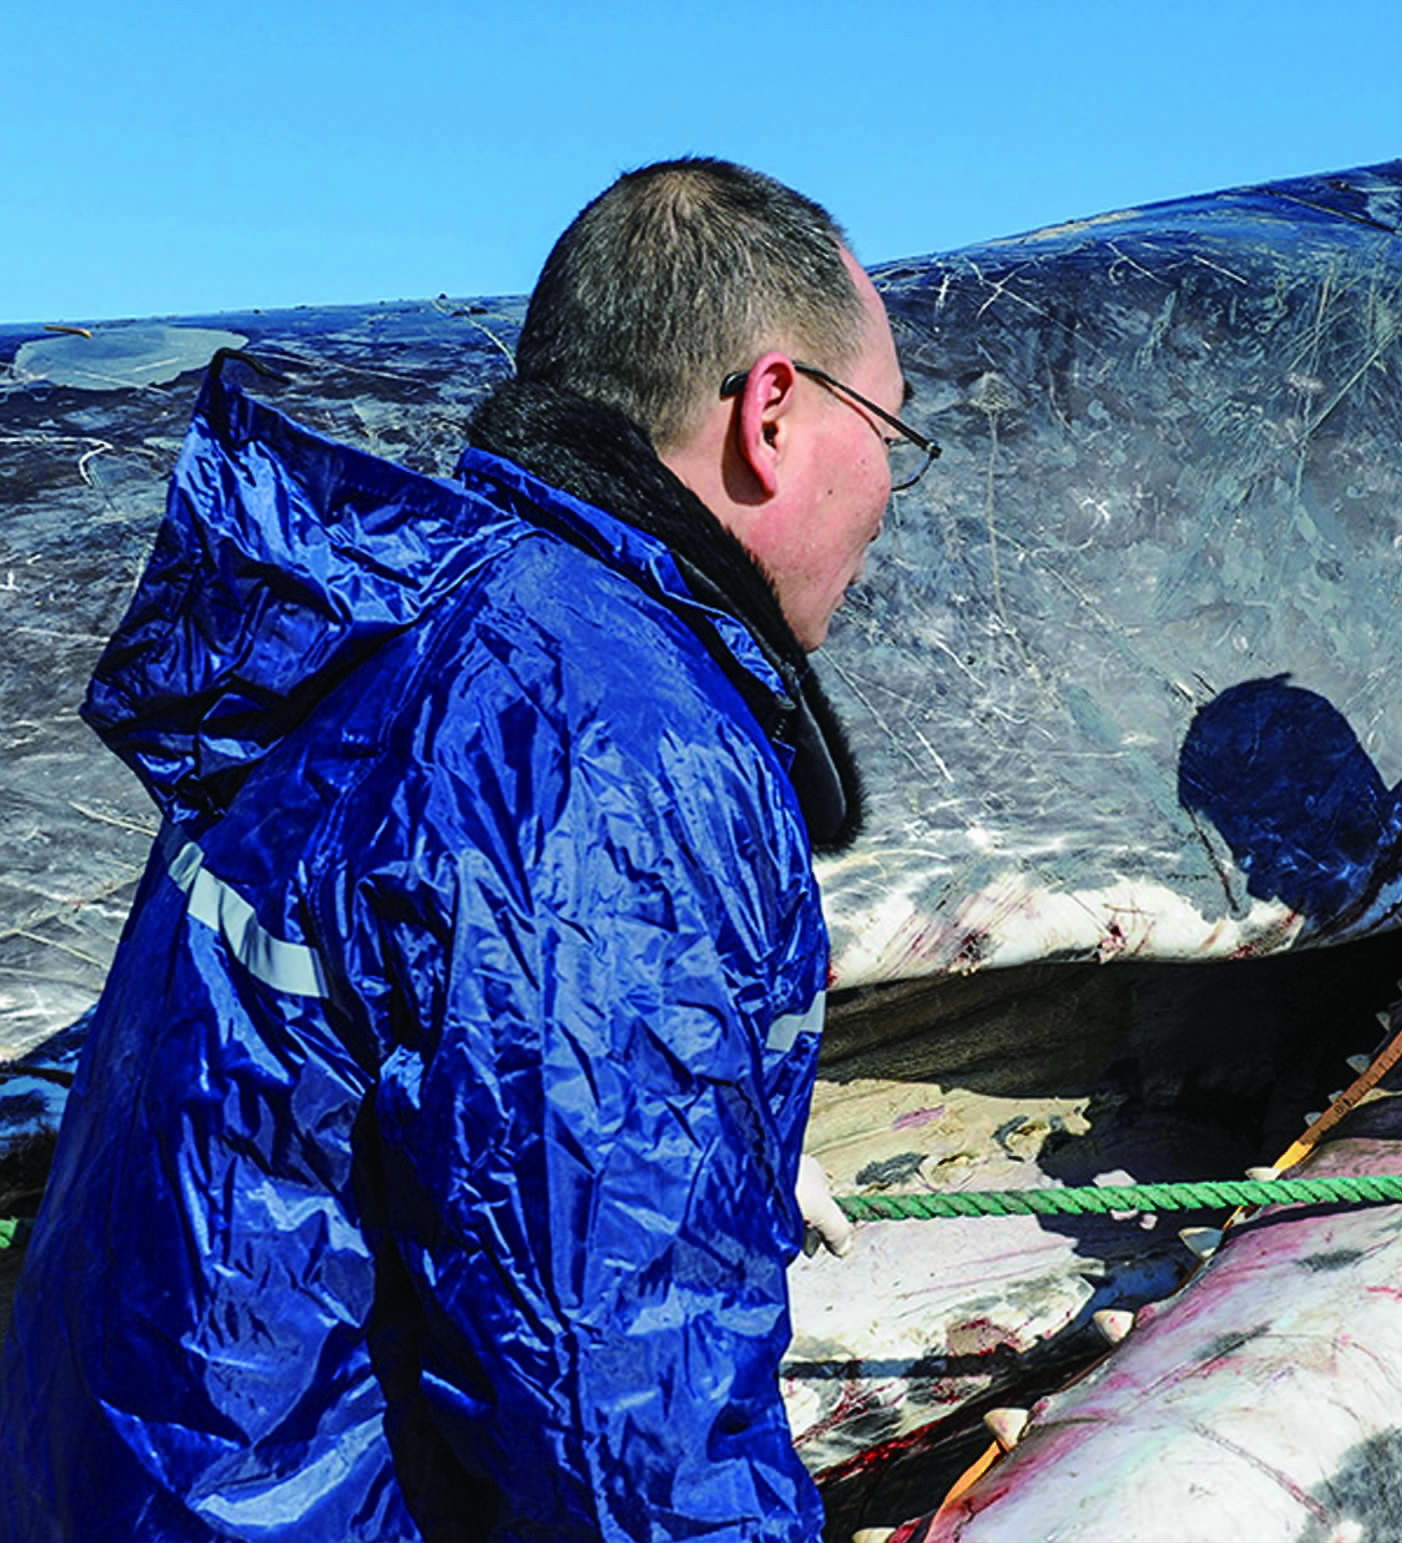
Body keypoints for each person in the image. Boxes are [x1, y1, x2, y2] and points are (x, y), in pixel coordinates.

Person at [0, 158, 934, 1540]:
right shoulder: (615, 744)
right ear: (774, 412)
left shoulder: (408, 626)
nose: (890, 497)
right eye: (888, 432)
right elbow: (621, 1416)